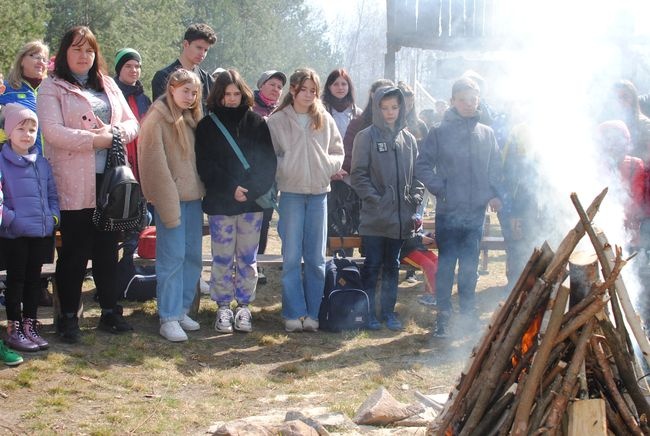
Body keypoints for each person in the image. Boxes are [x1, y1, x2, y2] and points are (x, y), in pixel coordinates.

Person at [37, 26, 138, 343]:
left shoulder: (107, 84)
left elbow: (132, 122)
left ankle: (110, 311)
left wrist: (116, 135)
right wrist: (99, 139)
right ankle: (68, 318)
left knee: (109, 250)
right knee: (75, 253)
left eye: (89, 50)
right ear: (65, 52)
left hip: (108, 180)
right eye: (77, 49)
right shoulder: (51, 88)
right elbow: (53, 132)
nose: (84, 56)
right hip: (72, 181)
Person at [415, 77, 503, 338]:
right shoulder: (439, 132)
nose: (468, 104)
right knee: (446, 265)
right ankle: (443, 315)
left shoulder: (486, 133)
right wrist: (441, 188)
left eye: (473, 99)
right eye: (462, 99)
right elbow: (422, 165)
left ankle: (467, 313)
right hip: (448, 211)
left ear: (478, 101)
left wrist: (494, 194)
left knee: (469, 266)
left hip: (475, 213)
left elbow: (495, 169)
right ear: (453, 101)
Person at [195, 69, 276, 334]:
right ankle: (222, 307)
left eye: (236, 93)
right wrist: (232, 188)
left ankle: (243, 306)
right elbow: (205, 164)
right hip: (221, 203)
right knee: (221, 258)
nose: (231, 99)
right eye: (227, 94)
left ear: (243, 93)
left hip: (252, 204)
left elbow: (267, 163)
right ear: (218, 95)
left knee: (247, 258)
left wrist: (249, 190)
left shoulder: (256, 122)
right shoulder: (207, 125)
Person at [266, 68, 344, 333]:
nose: (309, 94)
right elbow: (269, 155)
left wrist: (326, 165)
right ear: (294, 89)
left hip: (320, 194)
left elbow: (338, 152)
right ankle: (292, 312)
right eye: (305, 89)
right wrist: (285, 166)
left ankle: (313, 313)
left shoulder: (324, 118)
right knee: (291, 257)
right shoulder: (276, 121)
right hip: (290, 194)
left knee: (315, 258)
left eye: (314, 90)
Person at [138, 69, 205, 342]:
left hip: (193, 200)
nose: (189, 97)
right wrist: (166, 206)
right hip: (171, 200)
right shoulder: (156, 119)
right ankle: (167, 316)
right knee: (172, 259)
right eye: (185, 91)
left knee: (192, 258)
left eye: (194, 92)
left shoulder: (191, 119)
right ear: (172, 88)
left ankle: (181, 309)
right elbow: (154, 166)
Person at [351, 86, 421, 331]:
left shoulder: (409, 139)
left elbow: (418, 175)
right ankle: (368, 313)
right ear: (377, 108)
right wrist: (375, 199)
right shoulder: (366, 136)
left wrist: (415, 196)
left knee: (392, 267)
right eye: (385, 107)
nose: (390, 112)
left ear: (401, 108)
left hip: (401, 219)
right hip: (375, 218)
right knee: (372, 266)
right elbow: (358, 175)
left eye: (394, 107)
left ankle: (389, 313)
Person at [0, 104, 59, 353]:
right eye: (21, 128)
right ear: (8, 131)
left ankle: (30, 325)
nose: (27, 134)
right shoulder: (2, 162)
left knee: (35, 281)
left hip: (40, 232)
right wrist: (14, 220)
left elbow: (52, 195)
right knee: (16, 281)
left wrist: (53, 219)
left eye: (32, 129)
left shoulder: (42, 164)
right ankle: (13, 327)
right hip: (14, 235)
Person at [251, 69, 286, 284]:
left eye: (280, 87)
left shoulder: (281, 112)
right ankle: (246, 262)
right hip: (250, 175)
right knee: (249, 221)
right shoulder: (248, 108)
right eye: (272, 84)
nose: (276, 89)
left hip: (272, 178)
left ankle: (259, 265)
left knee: (264, 221)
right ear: (261, 85)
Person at [151, 23, 216, 111]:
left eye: (206, 50)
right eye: (199, 47)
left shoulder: (208, 80)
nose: (202, 54)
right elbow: (161, 114)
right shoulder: (163, 77)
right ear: (185, 44)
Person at [0, 41, 49, 155]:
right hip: (17, 162)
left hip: (52, 163)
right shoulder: (6, 89)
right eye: (35, 56)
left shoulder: (52, 88)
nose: (40, 61)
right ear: (21, 60)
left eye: (44, 59)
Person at [342, 79, 394, 175]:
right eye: (381, 94)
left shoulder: (400, 129)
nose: (385, 98)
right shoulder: (358, 124)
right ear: (372, 95)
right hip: (364, 184)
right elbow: (348, 157)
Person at [400, 215, 438, 307]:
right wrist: (421, 239)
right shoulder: (399, 212)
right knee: (429, 265)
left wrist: (429, 234)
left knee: (437, 261)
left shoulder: (414, 210)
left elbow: (420, 230)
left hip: (419, 248)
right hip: (406, 251)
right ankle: (431, 296)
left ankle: (434, 293)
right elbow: (406, 237)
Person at [322, 69, 362, 146]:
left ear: (349, 87)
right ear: (329, 87)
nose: (340, 87)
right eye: (336, 84)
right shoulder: (321, 112)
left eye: (343, 84)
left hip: (352, 156)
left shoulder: (358, 114)